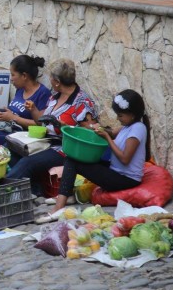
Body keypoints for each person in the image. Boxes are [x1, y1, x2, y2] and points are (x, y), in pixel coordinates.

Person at [37, 89, 151, 223]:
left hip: (125, 179)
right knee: (75, 158)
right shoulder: (128, 125)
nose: (117, 119)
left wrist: (108, 138)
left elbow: (125, 159)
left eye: (120, 116)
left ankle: (59, 206)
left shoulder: (138, 128)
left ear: (131, 115)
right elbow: (112, 132)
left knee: (72, 162)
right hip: (117, 171)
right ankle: (66, 195)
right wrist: (95, 128)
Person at [6, 58, 98, 196]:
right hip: (46, 141)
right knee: (10, 149)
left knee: (27, 163)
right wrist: (34, 110)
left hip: (64, 148)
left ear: (57, 82)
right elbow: (42, 121)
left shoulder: (82, 102)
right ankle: (34, 190)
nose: (49, 80)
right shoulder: (55, 97)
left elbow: (90, 133)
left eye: (50, 78)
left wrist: (65, 127)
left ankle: (0, 193)